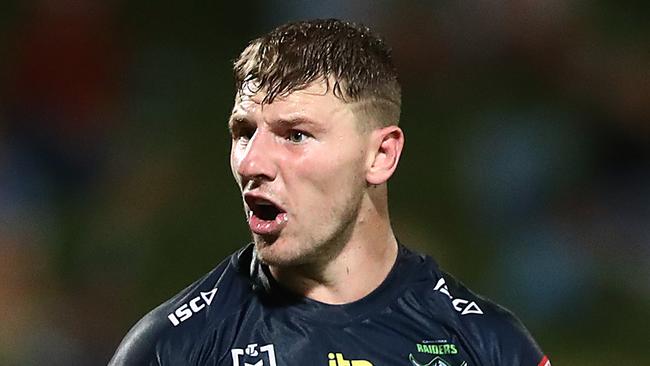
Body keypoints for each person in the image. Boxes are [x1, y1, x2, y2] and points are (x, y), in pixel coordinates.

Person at [109, 19, 551, 366]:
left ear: (380, 155)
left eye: (295, 135)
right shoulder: (175, 347)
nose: (251, 163)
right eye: (244, 132)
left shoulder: (486, 344)